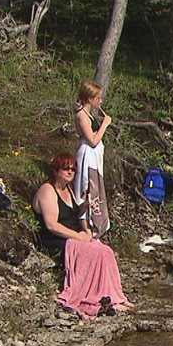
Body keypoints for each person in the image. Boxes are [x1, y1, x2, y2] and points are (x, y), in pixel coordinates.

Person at [32, 153, 131, 319]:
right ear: (56, 170)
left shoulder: (67, 190)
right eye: (66, 169)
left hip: (74, 236)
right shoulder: (47, 190)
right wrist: (79, 237)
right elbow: (52, 225)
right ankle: (96, 296)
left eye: (73, 169)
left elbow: (76, 216)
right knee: (94, 253)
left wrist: (84, 215)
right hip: (56, 240)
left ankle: (114, 296)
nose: (70, 172)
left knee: (105, 251)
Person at [74, 80, 112, 236]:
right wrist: (104, 124)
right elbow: (92, 140)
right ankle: (86, 226)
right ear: (90, 98)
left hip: (94, 157)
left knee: (96, 189)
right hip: (87, 156)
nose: (100, 101)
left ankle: (96, 225)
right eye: (98, 98)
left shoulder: (88, 114)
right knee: (87, 187)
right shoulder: (82, 115)